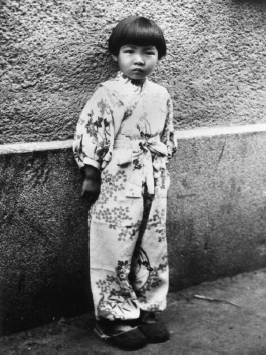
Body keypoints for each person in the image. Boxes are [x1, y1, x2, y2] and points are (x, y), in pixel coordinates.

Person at [73, 15, 177, 351]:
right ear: (115, 55)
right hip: (117, 178)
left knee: (153, 242)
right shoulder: (108, 93)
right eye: (129, 51)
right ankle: (113, 316)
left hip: (152, 177)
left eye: (148, 52)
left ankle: (148, 307)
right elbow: (93, 132)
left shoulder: (161, 94)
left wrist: (159, 165)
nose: (139, 60)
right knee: (114, 244)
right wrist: (91, 175)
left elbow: (167, 135)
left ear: (158, 57)